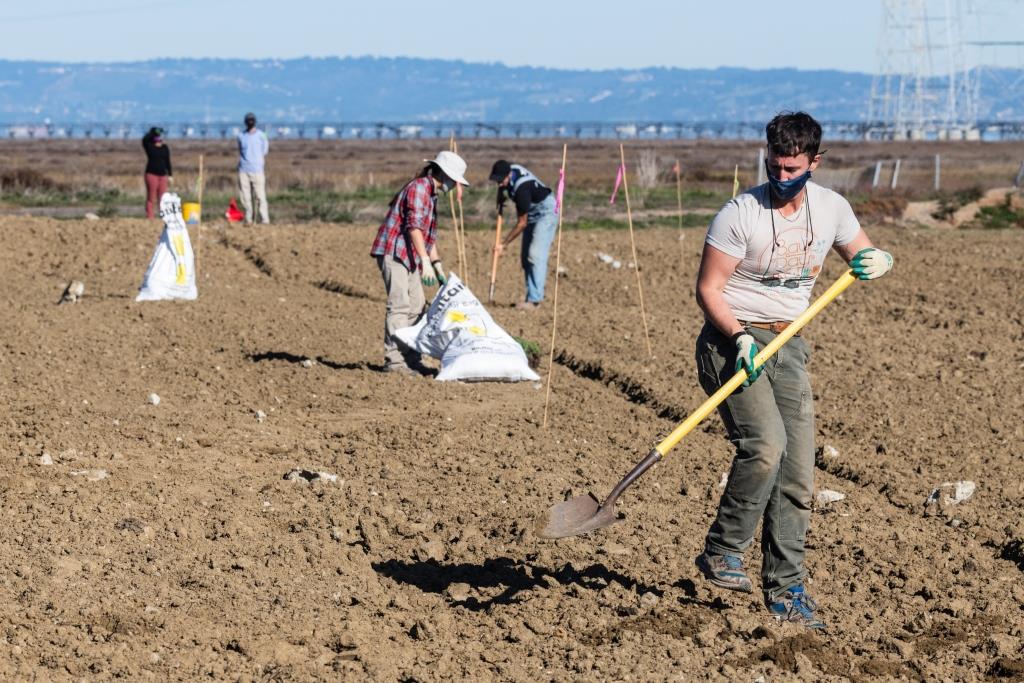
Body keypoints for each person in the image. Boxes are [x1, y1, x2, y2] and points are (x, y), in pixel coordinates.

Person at [692, 111, 893, 629]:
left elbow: (860, 251)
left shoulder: (831, 209)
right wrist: (738, 337)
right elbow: (709, 289)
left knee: (798, 476)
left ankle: (786, 592)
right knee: (765, 446)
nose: (782, 178)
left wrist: (875, 259)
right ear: (766, 157)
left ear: (815, 163)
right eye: (775, 167)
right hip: (732, 340)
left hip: (789, 344)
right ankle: (722, 550)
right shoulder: (740, 213)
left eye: (793, 169)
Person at [370, 151, 469, 374]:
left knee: (417, 306)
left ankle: (411, 358)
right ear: (444, 175)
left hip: (410, 253)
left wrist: (436, 264)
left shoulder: (431, 194)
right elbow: (414, 227)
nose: (454, 186)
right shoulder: (419, 188)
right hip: (394, 252)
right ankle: (394, 361)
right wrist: (424, 260)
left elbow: (426, 235)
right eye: (454, 180)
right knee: (399, 304)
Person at [489, 160, 558, 310]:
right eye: (497, 181)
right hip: (531, 213)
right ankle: (531, 296)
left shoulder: (522, 189)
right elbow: (504, 187)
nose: (499, 184)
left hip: (546, 213)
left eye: (501, 181)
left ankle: (535, 300)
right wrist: (501, 196)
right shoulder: (510, 170)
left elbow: (522, 223)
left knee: (535, 255)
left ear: (508, 175)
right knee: (525, 258)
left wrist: (503, 244)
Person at [237, 112, 270, 225]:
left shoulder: (262, 135)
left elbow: (265, 150)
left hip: (257, 169)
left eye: (252, 120)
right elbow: (240, 150)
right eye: (248, 120)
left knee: (260, 195)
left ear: (255, 122)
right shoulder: (241, 136)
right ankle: (248, 219)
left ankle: (264, 219)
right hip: (243, 169)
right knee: (245, 197)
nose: (250, 122)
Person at [142, 127, 172, 219]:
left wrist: (170, 174)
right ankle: (150, 216)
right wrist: (152, 132)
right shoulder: (149, 146)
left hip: (163, 175)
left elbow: (168, 161)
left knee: (163, 197)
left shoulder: (165, 148)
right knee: (151, 197)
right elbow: (144, 140)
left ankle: (163, 216)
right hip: (151, 174)